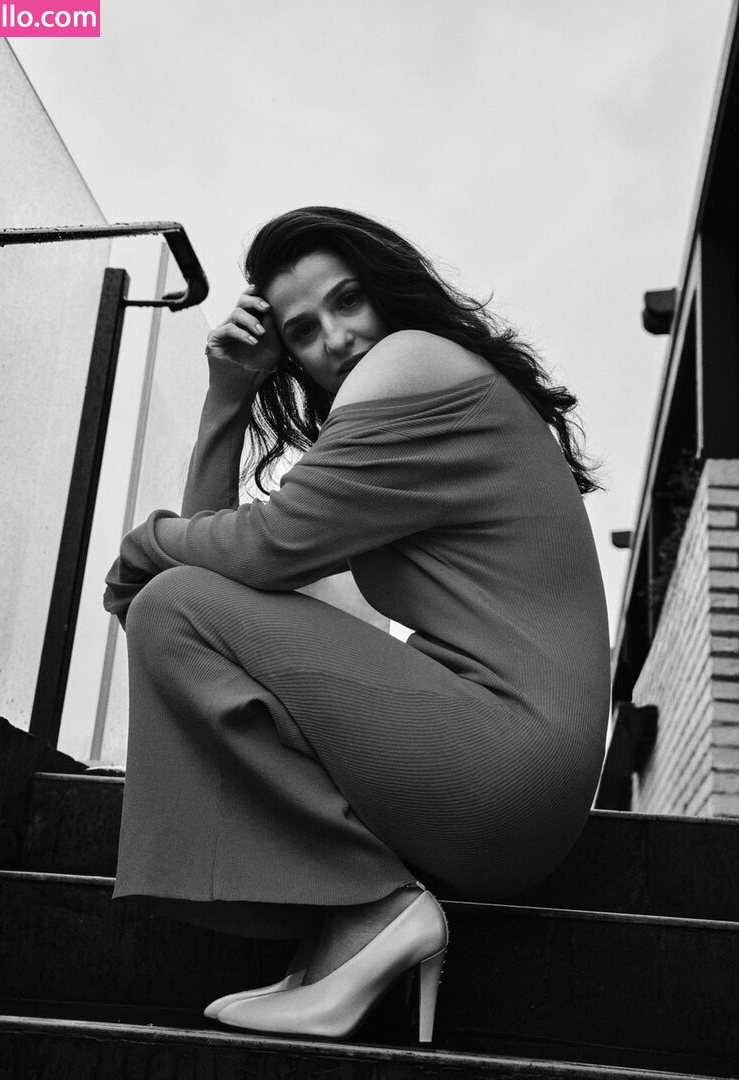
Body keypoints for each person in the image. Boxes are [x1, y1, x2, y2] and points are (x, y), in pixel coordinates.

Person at [102, 206, 612, 1044]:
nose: (337, 339)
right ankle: (351, 916)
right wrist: (228, 393)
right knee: (187, 598)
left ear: (387, 290)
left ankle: (375, 911)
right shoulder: (398, 416)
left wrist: (141, 546)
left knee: (172, 603)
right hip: (509, 781)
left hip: (506, 770)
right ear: (288, 355)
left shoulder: (412, 360)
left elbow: (255, 551)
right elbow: (231, 563)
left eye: (347, 301)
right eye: (303, 330)